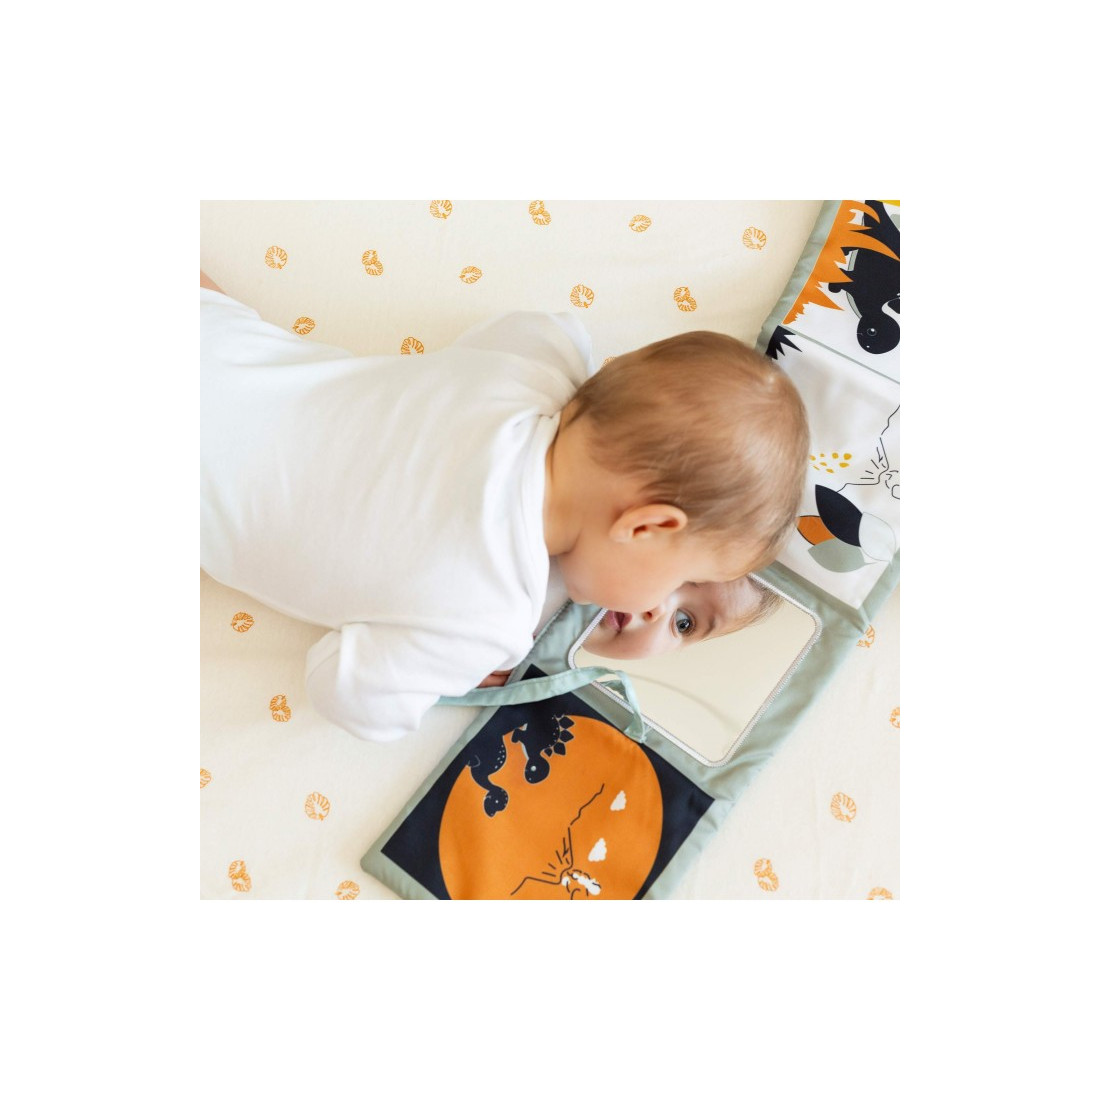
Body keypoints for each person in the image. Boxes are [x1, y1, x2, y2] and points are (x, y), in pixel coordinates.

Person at [200, 272, 809, 742]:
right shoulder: (483, 621)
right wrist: (448, 668)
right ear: (645, 526)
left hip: (212, 336)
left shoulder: (537, 369)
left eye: (684, 622)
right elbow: (344, 692)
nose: (656, 606)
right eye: (681, 582)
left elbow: (540, 327)